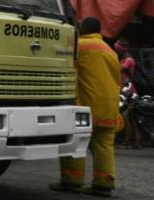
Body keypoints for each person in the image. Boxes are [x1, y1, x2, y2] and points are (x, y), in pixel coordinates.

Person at [50, 17, 120, 197]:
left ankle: (71, 181)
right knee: (104, 147)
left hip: (87, 107)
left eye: (79, 26)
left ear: (84, 28)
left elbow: (57, 60)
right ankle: (104, 184)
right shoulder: (110, 51)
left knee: (75, 142)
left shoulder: (79, 46)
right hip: (110, 107)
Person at [115, 40, 142, 149]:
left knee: (128, 117)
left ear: (121, 49)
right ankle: (135, 142)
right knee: (130, 117)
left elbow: (119, 69)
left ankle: (129, 141)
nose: (115, 50)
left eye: (117, 48)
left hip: (129, 92)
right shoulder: (123, 59)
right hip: (124, 91)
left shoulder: (129, 60)